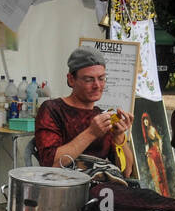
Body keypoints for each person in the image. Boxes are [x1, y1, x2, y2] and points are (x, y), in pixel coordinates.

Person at [35, 45, 135, 176]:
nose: (97, 85)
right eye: (89, 79)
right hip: (68, 188)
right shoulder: (53, 109)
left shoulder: (102, 117)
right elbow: (50, 163)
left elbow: (126, 172)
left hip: (103, 187)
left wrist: (119, 137)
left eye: (101, 78)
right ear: (71, 79)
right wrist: (91, 133)